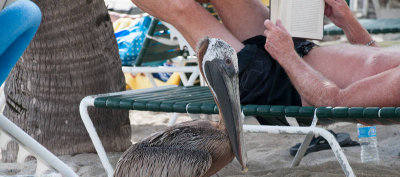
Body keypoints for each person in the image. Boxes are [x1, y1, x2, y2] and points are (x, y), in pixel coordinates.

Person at [131, 0, 400, 109]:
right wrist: (348, 21)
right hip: (297, 55)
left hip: (272, 84)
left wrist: (286, 55)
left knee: (180, 6)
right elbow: (375, 63)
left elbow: (334, 101)